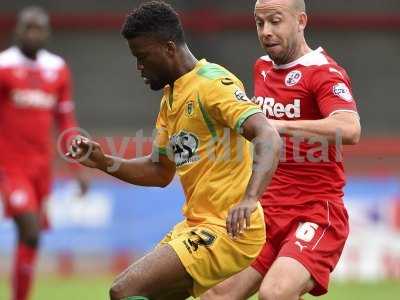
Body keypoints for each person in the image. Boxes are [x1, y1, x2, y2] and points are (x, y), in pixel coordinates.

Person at [67, 1, 282, 299]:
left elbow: (267, 135)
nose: (139, 67)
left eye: (142, 57)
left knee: (124, 291)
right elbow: (160, 171)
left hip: (229, 229)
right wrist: (104, 161)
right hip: (196, 225)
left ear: (169, 48)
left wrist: (249, 199)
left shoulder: (212, 84)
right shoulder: (171, 98)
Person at [202, 0, 361, 299]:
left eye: (276, 21)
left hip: (315, 211)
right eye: (260, 23)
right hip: (266, 211)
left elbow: (350, 128)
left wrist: (280, 126)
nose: (266, 31)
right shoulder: (262, 68)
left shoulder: (323, 72)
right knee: (216, 294)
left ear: (301, 21)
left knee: (275, 293)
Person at [0, 6, 88, 300]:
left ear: (47, 33)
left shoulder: (58, 68)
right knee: (31, 230)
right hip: (10, 166)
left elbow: (66, 121)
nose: (33, 34)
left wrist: (78, 168)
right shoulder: (4, 66)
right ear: (18, 31)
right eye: (28, 28)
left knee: (31, 240)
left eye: (39, 29)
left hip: (42, 168)